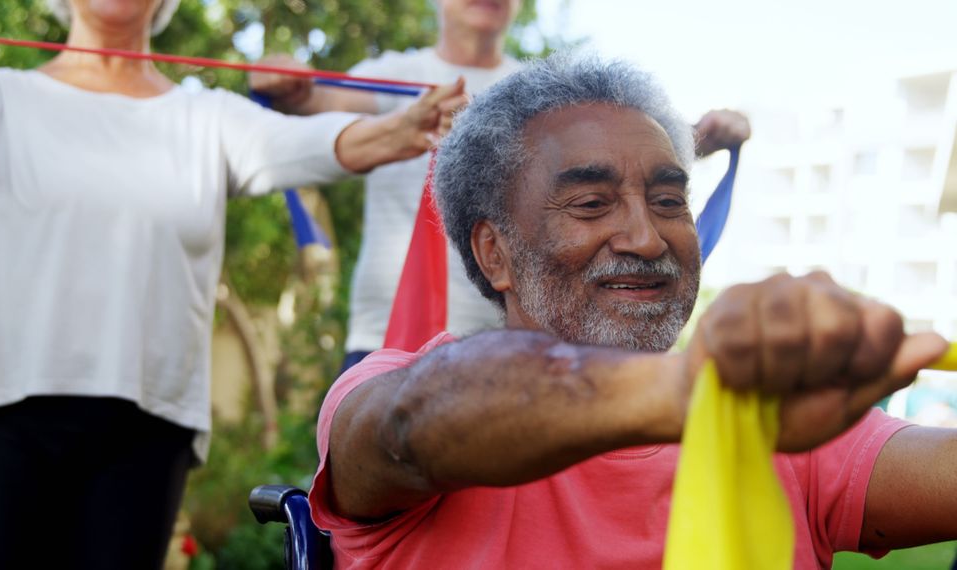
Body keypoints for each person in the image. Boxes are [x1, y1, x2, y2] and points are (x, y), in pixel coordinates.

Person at [308, 51, 957, 569]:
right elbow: (414, 422)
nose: (648, 239)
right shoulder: (386, 392)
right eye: (591, 204)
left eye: (670, 202)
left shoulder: (782, 422)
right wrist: (696, 393)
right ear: (494, 253)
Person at [0, 0, 465, 568]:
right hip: (1, 409)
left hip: (146, 426)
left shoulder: (205, 116)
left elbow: (325, 143)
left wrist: (405, 128)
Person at [249, 0, 751, 371]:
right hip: (393, 334)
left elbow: (629, 162)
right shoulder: (393, 75)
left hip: (524, 338)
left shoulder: (536, 91)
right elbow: (316, 106)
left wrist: (708, 136)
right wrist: (286, 84)